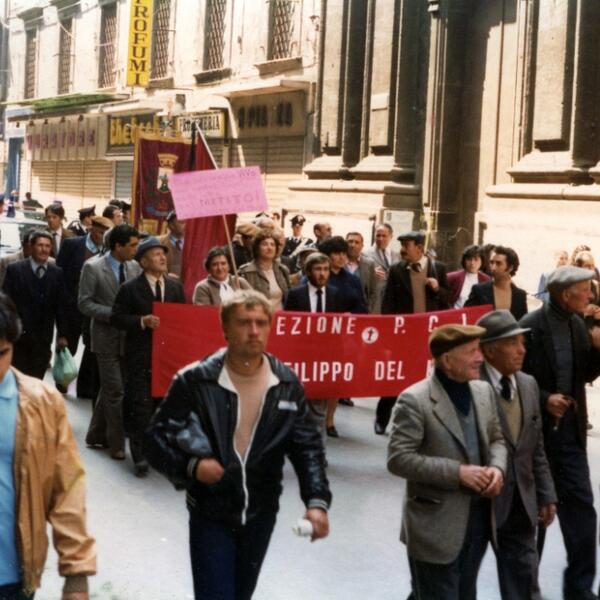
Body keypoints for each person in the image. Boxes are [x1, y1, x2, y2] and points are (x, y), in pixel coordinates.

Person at [144, 290, 331, 600]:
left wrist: (316, 502)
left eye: (261, 322)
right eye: (244, 322)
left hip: (262, 512)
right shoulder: (196, 380)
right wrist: (190, 466)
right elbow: (155, 440)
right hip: (211, 512)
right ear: (225, 329)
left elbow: (307, 447)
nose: (254, 331)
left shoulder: (286, 384)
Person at [388, 324, 506, 600]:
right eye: (472, 351)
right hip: (434, 529)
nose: (481, 357)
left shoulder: (483, 392)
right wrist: (457, 473)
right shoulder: (414, 400)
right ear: (447, 360)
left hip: (477, 523)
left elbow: (498, 438)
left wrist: (498, 469)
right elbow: (398, 459)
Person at [0, 292, 96, 600]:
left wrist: (76, 575)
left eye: (1, 353)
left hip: (11, 577)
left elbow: (66, 487)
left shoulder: (41, 402)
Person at [520, 266, 600, 600]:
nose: (591, 296)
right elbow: (508, 380)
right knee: (533, 516)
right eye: (585, 290)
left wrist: (598, 350)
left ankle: (579, 588)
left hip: (569, 435)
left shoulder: (578, 327)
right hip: (534, 438)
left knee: (582, 510)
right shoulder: (529, 327)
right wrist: (543, 399)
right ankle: (526, 588)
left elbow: (583, 375)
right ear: (565, 294)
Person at [477, 310, 557, 600]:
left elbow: (536, 448)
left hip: (520, 504)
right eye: (513, 344)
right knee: (453, 582)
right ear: (489, 350)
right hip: (476, 505)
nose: (522, 350)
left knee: (525, 583)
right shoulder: (470, 384)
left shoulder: (528, 384)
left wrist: (546, 494)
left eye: (523, 342)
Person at [111, 237, 186, 476]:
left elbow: (183, 320)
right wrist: (141, 322)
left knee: (162, 406)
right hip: (140, 356)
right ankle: (140, 455)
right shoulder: (130, 288)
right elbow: (116, 318)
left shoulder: (175, 288)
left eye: (163, 254)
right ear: (143, 262)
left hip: (167, 358)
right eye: (156, 255)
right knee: (139, 406)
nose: (162, 258)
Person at [376, 231, 450, 435]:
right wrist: (389, 332)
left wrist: (437, 289)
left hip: (431, 335)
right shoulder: (397, 270)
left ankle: (425, 424)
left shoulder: (438, 268)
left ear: (419, 247)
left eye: (406, 245)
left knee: (428, 379)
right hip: (404, 334)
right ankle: (382, 418)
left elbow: (448, 300)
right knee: (396, 377)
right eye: (401, 244)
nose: (402, 249)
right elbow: (388, 303)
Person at [78, 224, 141, 460]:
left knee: (110, 388)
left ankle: (94, 434)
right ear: (118, 246)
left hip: (129, 338)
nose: (136, 250)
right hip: (104, 338)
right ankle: (116, 444)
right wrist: (112, 314)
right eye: (132, 245)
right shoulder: (93, 267)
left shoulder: (135, 267)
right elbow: (84, 303)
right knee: (116, 391)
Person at [285, 252, 343, 440]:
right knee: (301, 402)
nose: (322, 274)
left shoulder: (335, 294)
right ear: (308, 271)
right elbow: (288, 326)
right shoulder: (295, 295)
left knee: (319, 405)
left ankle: (318, 450)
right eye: (318, 269)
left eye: (326, 269)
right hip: (302, 355)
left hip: (324, 357)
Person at [57, 216, 112, 398]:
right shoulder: (72, 245)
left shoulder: (107, 252)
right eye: (98, 232)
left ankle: (84, 388)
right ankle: (62, 378)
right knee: (67, 344)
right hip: (70, 304)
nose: (101, 236)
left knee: (89, 348)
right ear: (90, 229)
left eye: (105, 233)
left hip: (91, 307)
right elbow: (60, 272)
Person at [2, 231, 69, 380]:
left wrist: (63, 334)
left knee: (36, 380)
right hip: (19, 338)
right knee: (17, 380)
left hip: (43, 339)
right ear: (31, 247)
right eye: (40, 245)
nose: (44, 249)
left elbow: (61, 306)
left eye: (47, 246)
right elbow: (6, 302)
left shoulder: (56, 273)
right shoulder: (15, 270)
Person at [465, 245, 528, 320]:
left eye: (498, 263)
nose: (493, 267)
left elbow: (523, 324)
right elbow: (465, 316)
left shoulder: (520, 295)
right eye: (491, 262)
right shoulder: (479, 290)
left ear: (510, 267)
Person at [239, 230, 290, 311]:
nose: (269, 248)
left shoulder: (283, 270)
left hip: (280, 319)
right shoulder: (246, 271)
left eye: (272, 245)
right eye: (264, 244)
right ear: (257, 248)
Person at [362, 223, 400, 314]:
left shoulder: (397, 255)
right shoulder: (364, 254)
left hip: (392, 302)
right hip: (375, 303)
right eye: (378, 235)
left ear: (391, 236)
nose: (380, 239)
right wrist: (370, 273)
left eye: (384, 236)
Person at [345, 231, 378, 313]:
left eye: (356, 242)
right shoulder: (338, 262)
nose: (353, 245)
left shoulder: (369, 264)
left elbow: (373, 291)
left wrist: (368, 309)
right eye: (350, 241)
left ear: (362, 246)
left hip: (361, 312)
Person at [158, 210, 185, 278]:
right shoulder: (159, 242)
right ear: (171, 225)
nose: (185, 225)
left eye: (185, 222)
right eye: (181, 222)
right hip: (167, 284)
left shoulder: (192, 243)